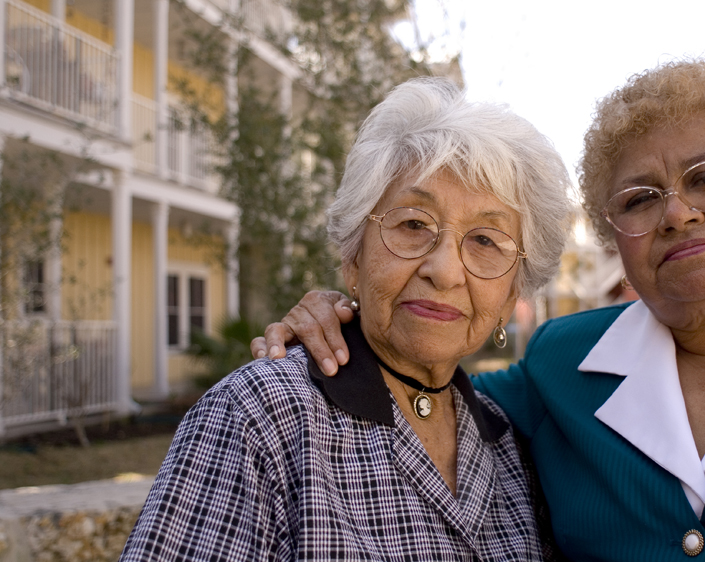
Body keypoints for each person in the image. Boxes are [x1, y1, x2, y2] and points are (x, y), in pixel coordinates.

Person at [254, 59, 705, 561]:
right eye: (640, 198)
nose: (677, 212)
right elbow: (419, 371)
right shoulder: (566, 362)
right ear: (615, 236)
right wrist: (346, 312)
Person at [120, 78, 570, 560]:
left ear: (509, 297)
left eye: (485, 241)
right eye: (414, 224)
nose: (443, 271)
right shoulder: (260, 417)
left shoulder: (510, 444)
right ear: (353, 257)